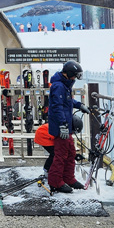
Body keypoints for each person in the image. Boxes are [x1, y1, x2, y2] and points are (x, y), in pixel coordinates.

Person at [47, 62, 89, 194]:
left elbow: (68, 102)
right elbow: (57, 107)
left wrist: (79, 105)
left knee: (71, 152)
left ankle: (68, 178)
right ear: (69, 74)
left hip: (66, 125)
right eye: (75, 75)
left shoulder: (65, 85)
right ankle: (55, 182)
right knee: (61, 155)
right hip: (61, 126)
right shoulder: (59, 86)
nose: (75, 78)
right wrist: (63, 125)